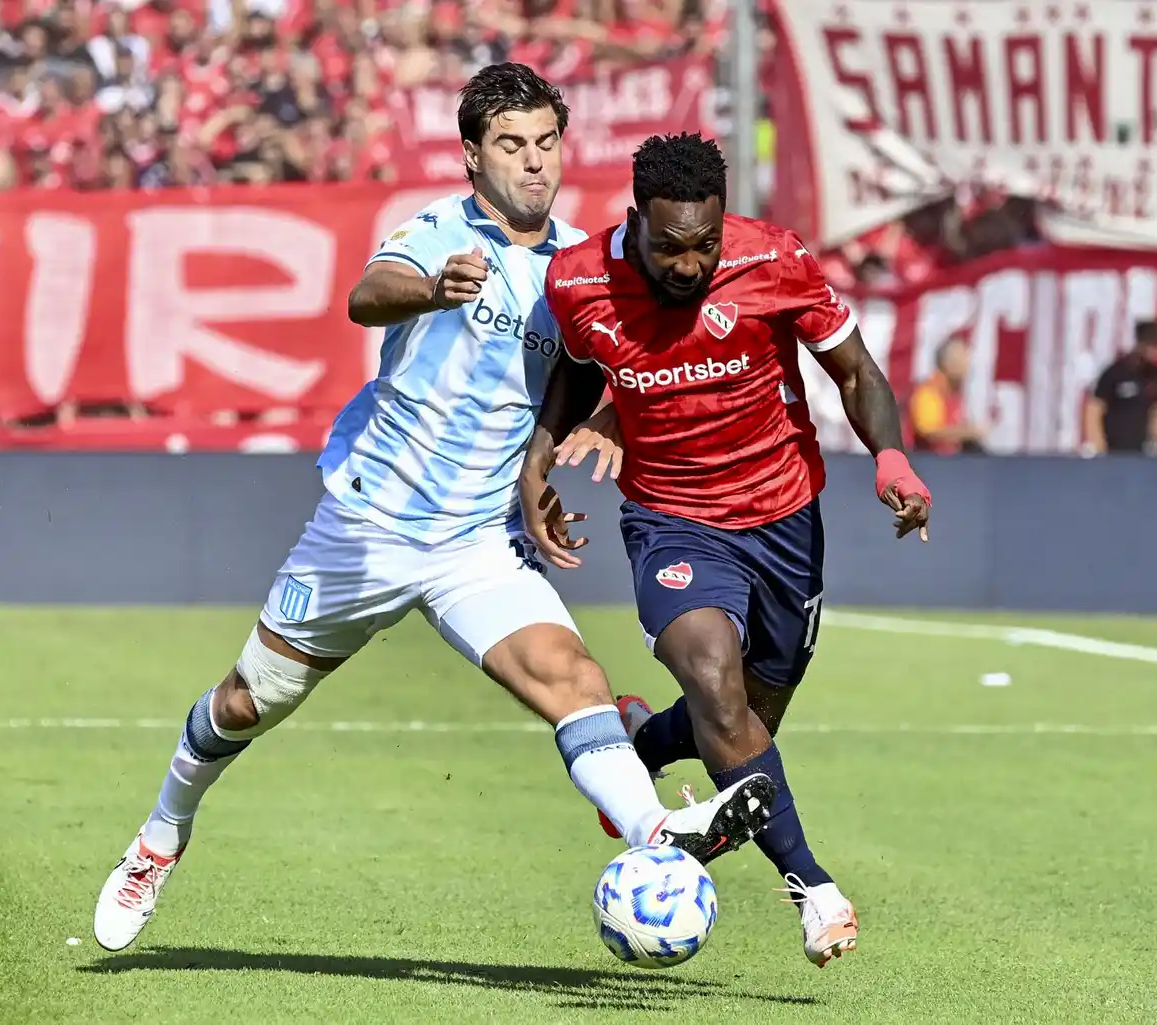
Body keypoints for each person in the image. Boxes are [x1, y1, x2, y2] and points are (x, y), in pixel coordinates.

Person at [92, 68, 774, 953]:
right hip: (367, 530)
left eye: (545, 143)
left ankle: (656, 834)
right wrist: (431, 289)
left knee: (575, 680)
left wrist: (576, 443)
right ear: (471, 156)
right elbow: (366, 293)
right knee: (244, 703)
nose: (533, 163)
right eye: (511, 145)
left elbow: (603, 368)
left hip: (476, 544)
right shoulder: (437, 233)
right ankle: (161, 831)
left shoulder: (579, 265)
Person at [519, 133, 933, 967]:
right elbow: (575, 365)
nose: (690, 262)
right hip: (670, 518)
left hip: (784, 519)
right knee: (713, 678)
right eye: (670, 246)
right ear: (637, 221)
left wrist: (891, 455)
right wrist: (539, 459)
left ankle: (642, 741)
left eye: (704, 243)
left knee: (747, 721)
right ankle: (814, 888)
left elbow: (853, 370)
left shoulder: (774, 260)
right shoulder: (577, 281)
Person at [1082, 320, 1157, 455]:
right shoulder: (1115, 372)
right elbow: (1094, 409)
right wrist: (1099, 447)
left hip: (1141, 453)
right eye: (1154, 346)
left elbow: (1156, 411)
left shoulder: (1154, 375)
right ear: (1142, 345)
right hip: (1113, 452)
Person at [907, 332, 985, 454]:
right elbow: (929, 431)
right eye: (962, 359)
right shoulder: (929, 392)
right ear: (947, 364)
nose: (967, 365)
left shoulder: (953, 395)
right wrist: (969, 432)